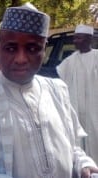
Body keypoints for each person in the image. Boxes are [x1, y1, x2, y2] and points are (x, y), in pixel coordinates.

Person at [0, 3, 98, 178]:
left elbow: (71, 146)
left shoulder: (58, 91)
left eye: (33, 48)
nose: (21, 59)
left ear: (44, 48)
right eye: (11, 48)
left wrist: (82, 164)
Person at [57, 24, 98, 163]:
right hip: (76, 109)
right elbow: (61, 79)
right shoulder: (70, 60)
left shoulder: (97, 57)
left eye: (78, 38)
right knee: (77, 138)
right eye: (74, 38)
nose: (75, 41)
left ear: (89, 39)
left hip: (94, 110)